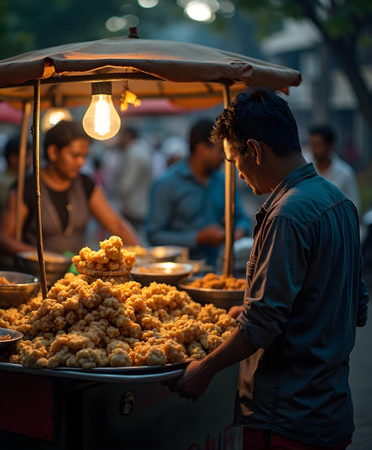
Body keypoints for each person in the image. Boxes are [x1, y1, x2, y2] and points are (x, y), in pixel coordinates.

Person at [173, 88, 369, 449]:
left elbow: (262, 325)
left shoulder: (286, 215)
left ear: (256, 150)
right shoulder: (340, 203)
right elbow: (356, 306)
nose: (240, 176)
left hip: (287, 418)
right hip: (332, 412)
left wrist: (205, 370)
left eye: (235, 162)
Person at [0, 120, 139, 258]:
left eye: (84, 156)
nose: (81, 162)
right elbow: (4, 239)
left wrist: (142, 254)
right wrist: (42, 257)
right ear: (53, 152)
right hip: (37, 273)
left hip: (76, 275)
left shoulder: (85, 184)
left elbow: (116, 224)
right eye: (75, 155)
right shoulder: (27, 187)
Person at [146, 118, 251, 269]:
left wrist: (239, 230)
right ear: (202, 148)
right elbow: (154, 236)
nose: (225, 157)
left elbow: (242, 219)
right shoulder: (167, 184)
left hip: (220, 267)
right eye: (220, 151)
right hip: (180, 271)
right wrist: (198, 238)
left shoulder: (223, 181)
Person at [0, 135, 32, 269]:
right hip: (4, 255)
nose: (30, 161)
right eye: (27, 156)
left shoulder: (14, 180)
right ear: (13, 159)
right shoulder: (6, 185)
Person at [307, 124, 360, 210]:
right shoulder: (305, 167)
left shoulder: (345, 173)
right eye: (312, 144)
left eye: (317, 145)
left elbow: (354, 207)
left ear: (330, 146)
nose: (313, 149)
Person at [116, 127, 153, 234]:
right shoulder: (142, 149)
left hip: (132, 208)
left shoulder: (134, 153)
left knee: (131, 244)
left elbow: (126, 185)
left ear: (128, 136)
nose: (119, 139)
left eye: (121, 136)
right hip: (141, 206)